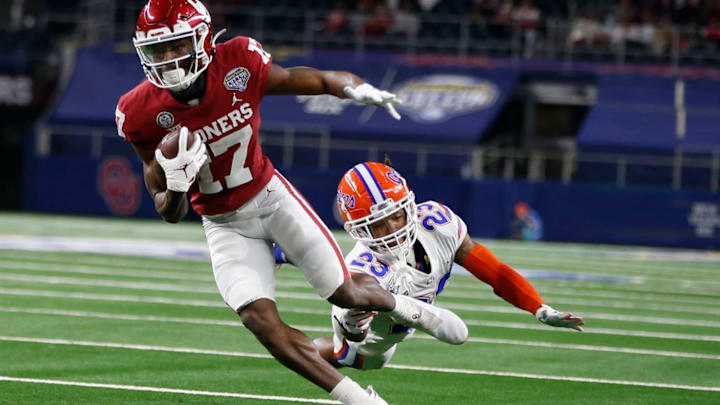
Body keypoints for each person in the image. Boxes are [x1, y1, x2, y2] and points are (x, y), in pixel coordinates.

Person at [114, 1, 467, 404]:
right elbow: (168, 210)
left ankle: (415, 311)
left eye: (175, 47)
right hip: (223, 221)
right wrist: (176, 184)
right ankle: (357, 398)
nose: (167, 61)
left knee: (345, 293)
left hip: (271, 196)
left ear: (201, 39)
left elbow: (310, 79)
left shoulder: (238, 61)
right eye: (157, 51)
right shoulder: (138, 112)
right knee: (258, 320)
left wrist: (354, 88)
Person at [310, 160, 584, 370]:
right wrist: (351, 328)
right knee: (351, 358)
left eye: (395, 216)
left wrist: (538, 306)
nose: (392, 229)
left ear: (409, 204)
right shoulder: (361, 269)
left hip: (407, 315)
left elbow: (496, 273)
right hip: (376, 335)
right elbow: (355, 334)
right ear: (358, 231)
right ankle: (301, 351)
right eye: (377, 225)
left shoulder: (436, 223)